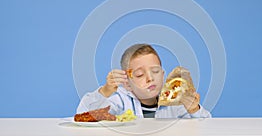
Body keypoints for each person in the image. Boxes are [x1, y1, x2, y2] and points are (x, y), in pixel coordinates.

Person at [76, 43, 211, 118]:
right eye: (140, 75)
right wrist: (105, 91)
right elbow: (84, 116)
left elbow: (204, 131)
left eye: (155, 72)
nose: (150, 78)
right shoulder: (120, 100)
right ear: (127, 83)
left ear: (163, 75)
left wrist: (194, 110)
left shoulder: (174, 102)